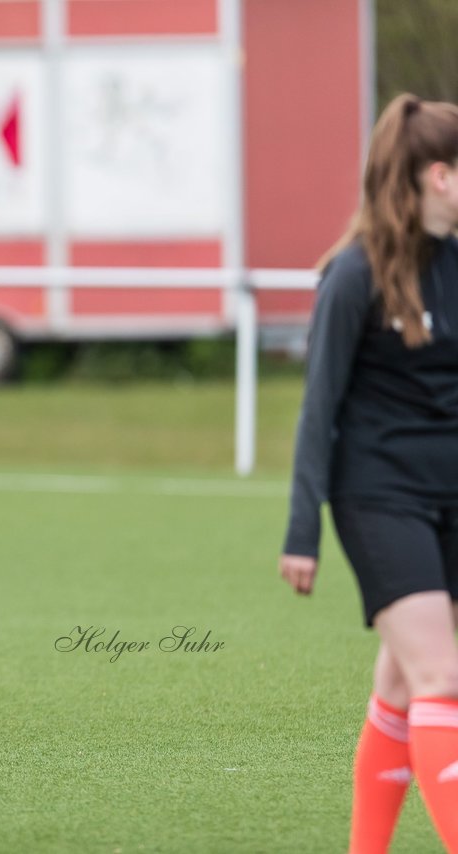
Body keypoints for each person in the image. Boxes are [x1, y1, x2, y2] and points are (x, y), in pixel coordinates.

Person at [280, 93, 458, 853]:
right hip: (378, 497)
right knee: (443, 680)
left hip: (450, 497)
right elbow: (318, 411)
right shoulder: (352, 276)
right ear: (440, 176)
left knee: (398, 687)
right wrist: (302, 532)